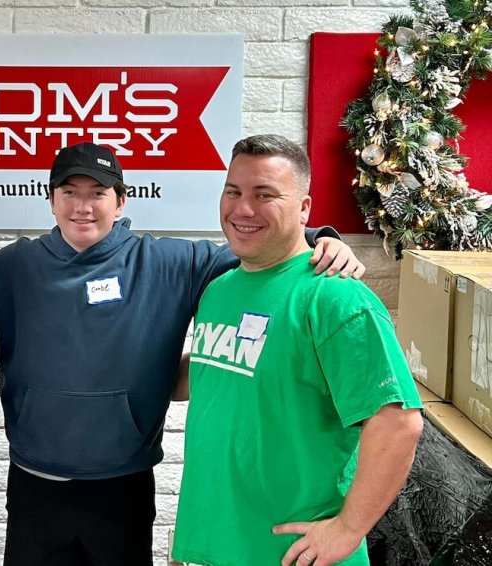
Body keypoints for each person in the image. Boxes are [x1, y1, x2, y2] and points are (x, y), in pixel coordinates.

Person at [0, 141, 368, 566]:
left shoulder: (166, 262)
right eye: (69, 192)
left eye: (98, 193)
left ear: (120, 201)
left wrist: (318, 238)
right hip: (34, 481)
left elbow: (259, 250)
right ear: (51, 200)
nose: (82, 206)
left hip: (123, 484)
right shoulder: (14, 266)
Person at [170, 134, 424, 566]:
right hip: (210, 544)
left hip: (293, 555)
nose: (242, 209)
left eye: (264, 194)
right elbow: (218, 377)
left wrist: (347, 530)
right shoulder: (218, 290)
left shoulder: (336, 300)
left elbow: (398, 423)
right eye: (233, 191)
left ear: (304, 209)